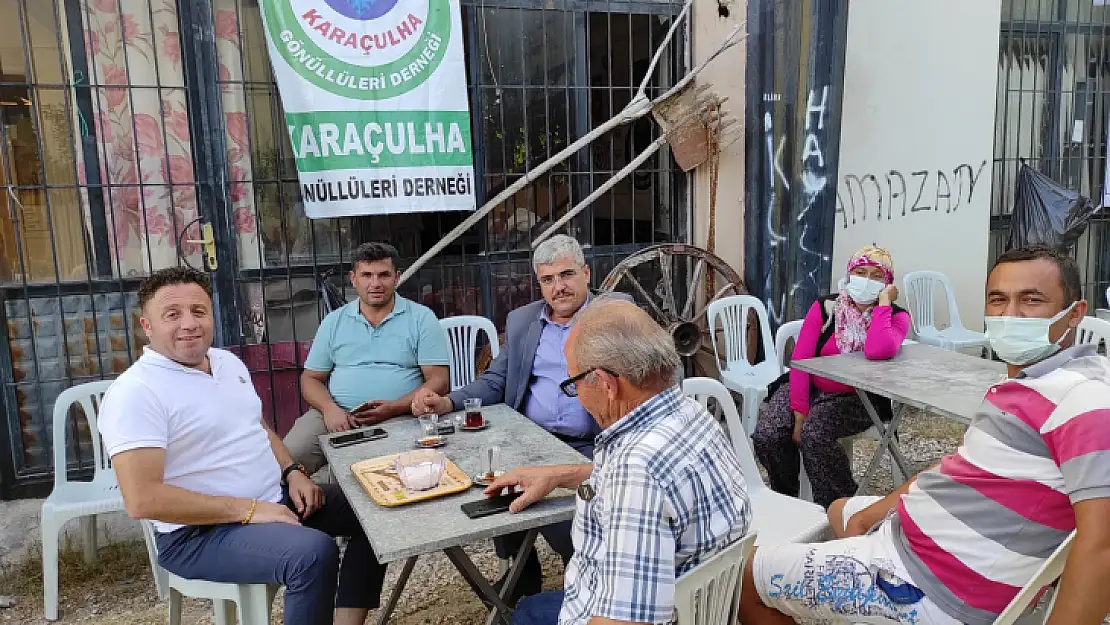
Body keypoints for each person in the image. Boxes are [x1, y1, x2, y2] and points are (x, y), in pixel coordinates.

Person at [740, 246, 1110, 625]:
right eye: (998, 300)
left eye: (1031, 300)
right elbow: (961, 462)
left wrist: (882, 305)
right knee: (838, 509)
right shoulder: (1022, 381)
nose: (1010, 314)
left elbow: (1101, 547)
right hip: (921, 536)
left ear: (1075, 314)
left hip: (926, 586)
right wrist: (877, 512)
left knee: (746, 577)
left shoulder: (1083, 398)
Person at [97, 267, 387, 625]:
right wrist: (251, 511)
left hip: (272, 500)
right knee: (313, 553)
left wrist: (293, 471)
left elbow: (258, 427)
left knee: (375, 508)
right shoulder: (136, 392)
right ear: (147, 325)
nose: (189, 323)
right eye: (172, 315)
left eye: (198, 311)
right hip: (198, 535)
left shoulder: (225, 362)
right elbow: (143, 500)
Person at [476, 297, 751, 625]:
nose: (576, 394)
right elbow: (658, 480)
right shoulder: (691, 413)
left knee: (524, 614)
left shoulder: (636, 473)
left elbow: (625, 621)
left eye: (572, 383)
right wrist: (560, 475)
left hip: (612, 611)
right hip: (704, 606)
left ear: (606, 384)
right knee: (530, 609)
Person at [410, 234, 630, 600]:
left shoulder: (612, 315)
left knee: (561, 518)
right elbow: (495, 379)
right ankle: (521, 576)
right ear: (538, 283)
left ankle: (591, 590)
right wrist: (447, 402)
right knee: (495, 489)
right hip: (531, 439)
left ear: (587, 273)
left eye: (567, 275)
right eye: (548, 279)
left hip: (591, 445)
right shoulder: (523, 321)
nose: (559, 287)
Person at [752, 244, 911, 507]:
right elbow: (802, 360)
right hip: (809, 386)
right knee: (768, 434)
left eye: (876, 276)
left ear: (888, 284)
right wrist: (800, 411)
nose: (866, 281)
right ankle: (788, 497)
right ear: (849, 274)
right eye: (860, 272)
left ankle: (840, 506)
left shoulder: (896, 316)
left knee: (815, 435)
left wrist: (883, 304)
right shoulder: (826, 307)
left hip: (857, 397)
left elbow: (877, 349)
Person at [285, 241, 450, 475]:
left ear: (397, 278)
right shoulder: (334, 322)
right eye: (367, 275)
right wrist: (329, 408)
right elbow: (310, 378)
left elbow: (438, 380)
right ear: (353, 278)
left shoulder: (421, 318)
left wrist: (394, 407)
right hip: (335, 413)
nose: (375, 283)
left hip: (399, 415)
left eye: (383, 275)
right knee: (288, 457)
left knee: (365, 467)